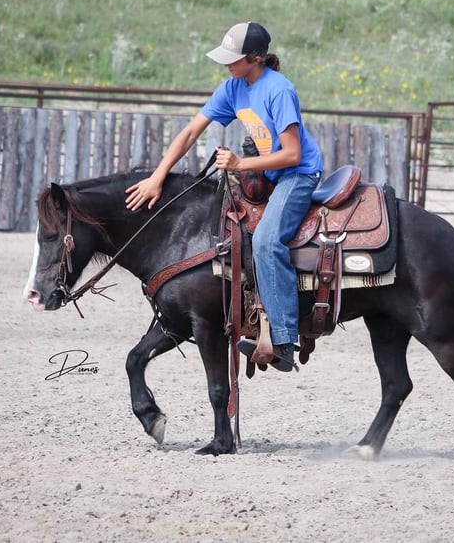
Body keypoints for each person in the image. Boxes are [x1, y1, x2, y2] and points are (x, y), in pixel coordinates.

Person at [125, 21, 323, 372]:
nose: (226, 64)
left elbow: (293, 154)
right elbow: (189, 132)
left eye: (234, 58)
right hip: (264, 172)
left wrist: (240, 162)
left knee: (265, 240)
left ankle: (283, 339)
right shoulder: (233, 88)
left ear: (256, 59)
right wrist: (157, 176)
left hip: (297, 175)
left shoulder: (280, 91)